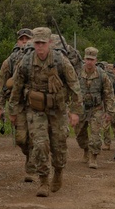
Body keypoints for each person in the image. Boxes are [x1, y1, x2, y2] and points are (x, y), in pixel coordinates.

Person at [8, 26, 82, 197]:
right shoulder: (26, 62)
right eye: (37, 43)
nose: (39, 46)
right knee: (40, 144)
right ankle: (43, 181)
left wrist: (75, 111)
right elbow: (16, 88)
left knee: (59, 146)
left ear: (49, 43)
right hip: (35, 110)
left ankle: (58, 171)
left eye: (42, 43)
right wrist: (13, 110)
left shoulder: (60, 61)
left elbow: (75, 86)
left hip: (58, 110)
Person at [0, 28, 36, 182]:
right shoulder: (9, 61)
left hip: (33, 103)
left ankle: (31, 165)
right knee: (21, 139)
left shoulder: (37, 59)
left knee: (34, 135)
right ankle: (29, 154)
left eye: (27, 39)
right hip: (17, 104)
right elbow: (1, 85)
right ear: (17, 41)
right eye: (22, 39)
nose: (24, 42)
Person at [74, 47, 115, 169]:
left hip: (96, 109)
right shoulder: (77, 73)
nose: (89, 62)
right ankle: (86, 149)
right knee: (79, 133)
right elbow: (71, 90)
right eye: (87, 59)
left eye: (92, 60)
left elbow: (109, 94)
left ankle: (93, 157)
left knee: (95, 135)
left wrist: (109, 112)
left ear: (96, 60)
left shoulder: (102, 75)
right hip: (81, 108)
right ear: (84, 59)